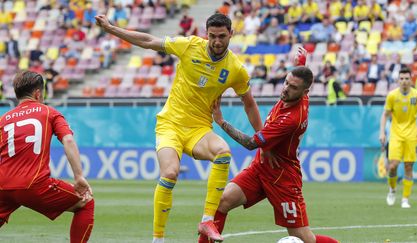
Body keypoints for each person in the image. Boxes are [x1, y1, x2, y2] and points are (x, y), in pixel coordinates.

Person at [95, 13, 263, 243]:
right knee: (170, 173)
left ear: (231, 34)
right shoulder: (190, 45)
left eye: (222, 36)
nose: (216, 41)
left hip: (199, 128)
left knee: (223, 152)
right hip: (170, 125)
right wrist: (113, 29)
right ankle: (158, 239)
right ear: (206, 34)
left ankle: (207, 220)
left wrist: (263, 138)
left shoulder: (235, 69)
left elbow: (249, 103)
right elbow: (149, 41)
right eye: (212, 36)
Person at [199, 48, 338, 243]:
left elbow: (250, 143)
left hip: (283, 177)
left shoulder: (291, 119)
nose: (286, 89)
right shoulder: (299, 92)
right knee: (222, 202)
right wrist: (301, 62)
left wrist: (221, 121)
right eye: (286, 82)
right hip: (261, 167)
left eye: (293, 87)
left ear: (304, 92)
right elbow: (300, 76)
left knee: (304, 238)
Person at [0, 71, 94, 242]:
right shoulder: (49, 112)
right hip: (34, 184)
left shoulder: (4, 119)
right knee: (85, 202)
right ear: (38, 93)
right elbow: (68, 140)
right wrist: (79, 176)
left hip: (4, 186)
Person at [379, 67, 417, 209]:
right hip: (395, 134)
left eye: (407, 78)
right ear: (398, 80)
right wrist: (382, 132)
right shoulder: (392, 96)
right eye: (402, 79)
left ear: (411, 80)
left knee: (408, 166)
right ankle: (392, 190)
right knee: (393, 166)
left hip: (412, 135)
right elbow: (385, 115)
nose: (404, 81)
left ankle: (405, 199)